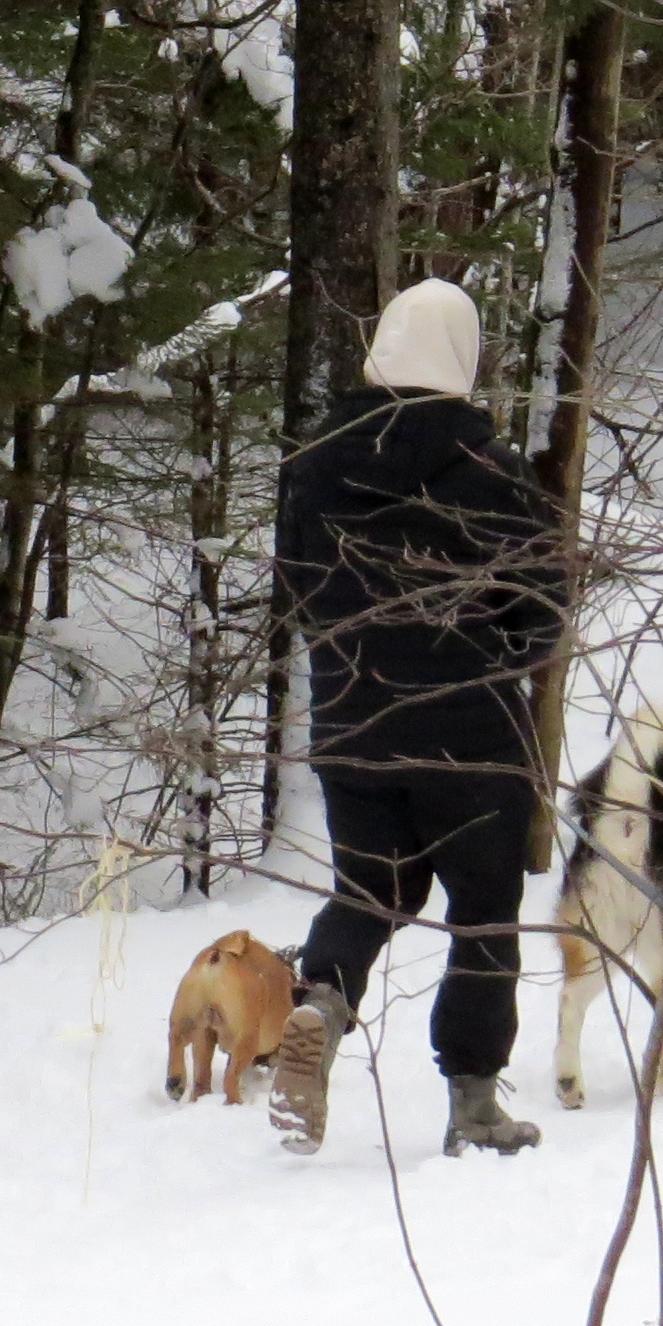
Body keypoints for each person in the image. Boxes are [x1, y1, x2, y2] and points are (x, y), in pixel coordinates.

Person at [265, 276, 570, 1158]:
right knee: (483, 911)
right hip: (469, 732)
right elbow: (542, 608)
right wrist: (492, 660)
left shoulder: (312, 467)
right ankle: (474, 1108)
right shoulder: (493, 472)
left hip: (352, 725)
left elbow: (299, 592)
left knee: (371, 891)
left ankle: (322, 1003)